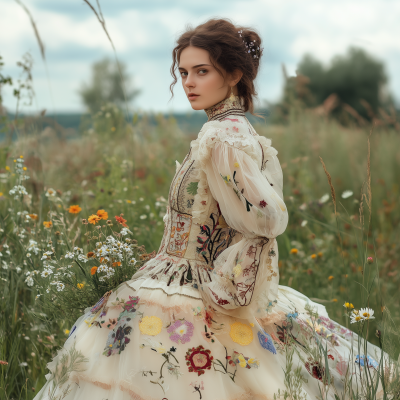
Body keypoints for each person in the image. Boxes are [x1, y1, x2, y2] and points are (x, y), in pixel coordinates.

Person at [34, 18, 385, 400]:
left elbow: (268, 218)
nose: (188, 82)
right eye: (183, 72)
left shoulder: (223, 137)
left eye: (201, 71)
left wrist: (224, 273)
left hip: (191, 284)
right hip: (177, 275)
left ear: (234, 74)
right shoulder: (234, 130)